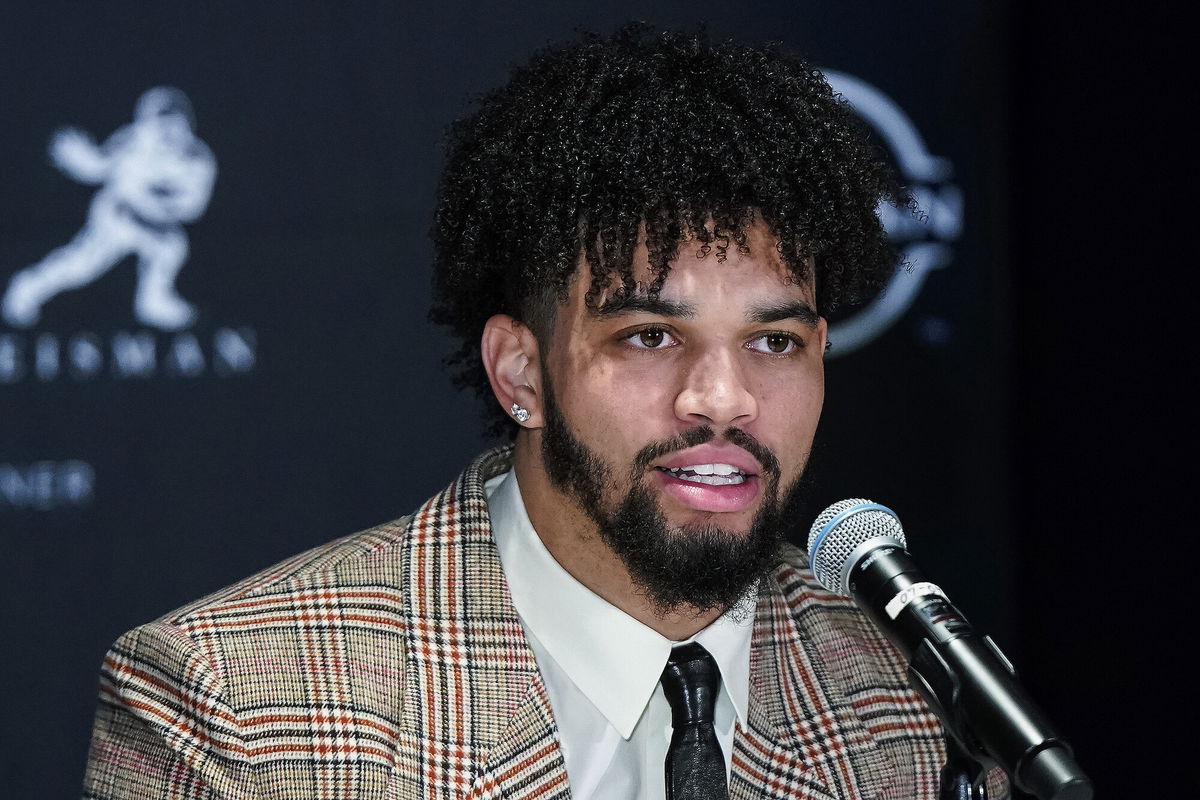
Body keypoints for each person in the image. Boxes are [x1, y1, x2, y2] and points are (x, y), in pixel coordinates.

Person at [83, 25, 1008, 800]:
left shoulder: (919, 708)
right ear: (520, 371)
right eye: (649, 336)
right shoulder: (236, 712)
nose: (724, 398)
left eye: (775, 343)